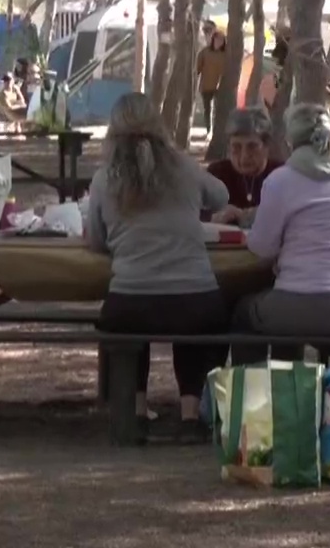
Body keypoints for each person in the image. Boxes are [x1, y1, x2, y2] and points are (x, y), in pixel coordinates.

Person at [84, 92, 233, 443]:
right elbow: (222, 196)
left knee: (130, 322)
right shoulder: (184, 167)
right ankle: (189, 414)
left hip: (130, 300)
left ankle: (136, 413)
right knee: (196, 319)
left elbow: (96, 241)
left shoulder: (105, 179)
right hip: (197, 298)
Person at [237, 103, 330, 346]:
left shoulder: (280, 180)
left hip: (301, 302)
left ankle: (267, 381)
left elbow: (262, 247)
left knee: (244, 312)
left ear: (290, 141)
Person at [206, 108, 283, 220]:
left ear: (267, 147)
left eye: (252, 147)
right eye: (236, 147)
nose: (244, 156)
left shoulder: (281, 175)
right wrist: (213, 217)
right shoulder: (217, 173)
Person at [196, 25, 227, 130]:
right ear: (213, 40)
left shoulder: (226, 54)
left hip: (221, 86)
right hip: (206, 85)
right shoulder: (205, 52)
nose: (219, 42)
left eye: (221, 40)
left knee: (219, 110)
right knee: (207, 109)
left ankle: (217, 130)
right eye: (217, 39)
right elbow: (197, 68)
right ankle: (208, 129)